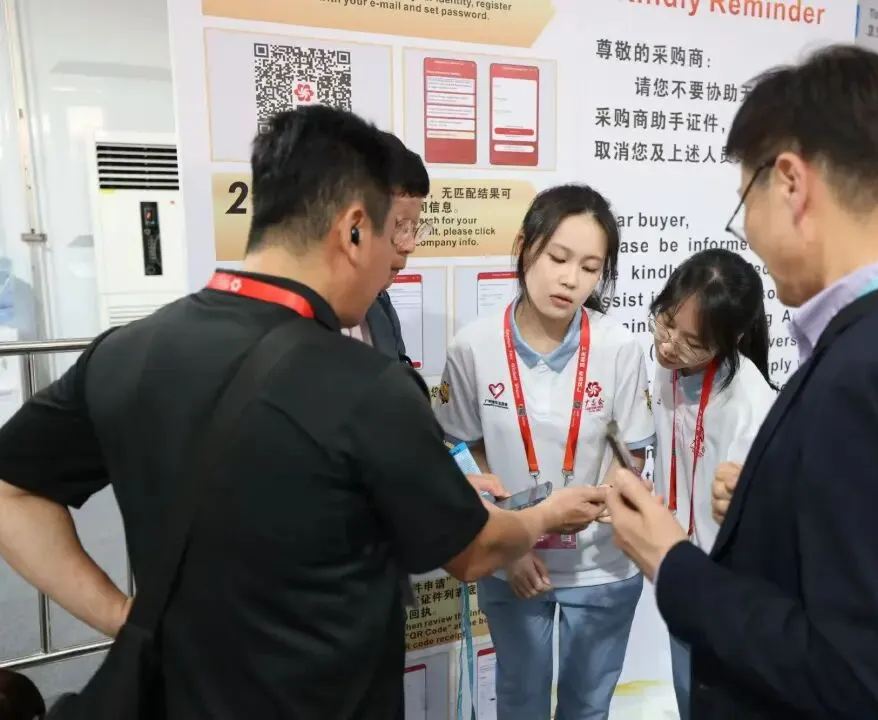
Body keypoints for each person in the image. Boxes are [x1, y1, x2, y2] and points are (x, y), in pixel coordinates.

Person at [0, 106, 608, 720]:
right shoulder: (367, 387)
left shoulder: (125, 351)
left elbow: (11, 492)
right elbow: (472, 552)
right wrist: (544, 516)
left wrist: (126, 619)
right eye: (390, 235)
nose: (396, 261)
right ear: (353, 230)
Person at [604, 45, 878, 720]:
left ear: (790, 183)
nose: (750, 234)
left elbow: (865, 680)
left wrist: (672, 562)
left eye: (745, 203)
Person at [434, 184, 655, 719]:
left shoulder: (619, 348)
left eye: (589, 267)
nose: (570, 279)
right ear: (524, 246)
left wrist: (610, 495)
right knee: (520, 702)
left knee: (587, 706)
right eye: (558, 258)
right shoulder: (474, 346)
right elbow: (463, 451)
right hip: (510, 562)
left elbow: (631, 454)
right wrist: (512, 542)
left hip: (600, 567)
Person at [647, 248, 778, 720]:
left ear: (731, 340)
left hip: (725, 588)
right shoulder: (667, 367)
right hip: (680, 570)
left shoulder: (749, 406)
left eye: (692, 342)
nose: (669, 347)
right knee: (687, 693)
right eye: (665, 323)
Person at [347, 131, 434, 365]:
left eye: (413, 229)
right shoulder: (287, 331)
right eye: (400, 227)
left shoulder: (380, 303)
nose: (410, 246)